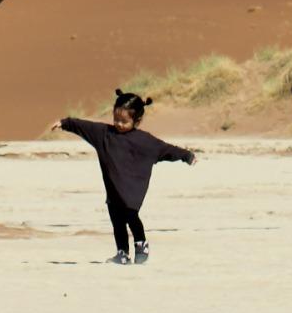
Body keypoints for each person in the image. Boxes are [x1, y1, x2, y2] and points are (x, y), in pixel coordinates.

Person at [53, 89, 198, 265]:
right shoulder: (104, 134)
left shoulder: (145, 141)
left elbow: (166, 149)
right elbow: (84, 126)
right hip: (113, 191)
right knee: (117, 222)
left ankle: (141, 243)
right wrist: (65, 123)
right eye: (116, 119)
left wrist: (186, 156)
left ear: (136, 120)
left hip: (131, 190)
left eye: (124, 121)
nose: (119, 124)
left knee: (131, 216)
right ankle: (122, 253)